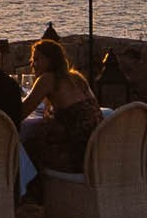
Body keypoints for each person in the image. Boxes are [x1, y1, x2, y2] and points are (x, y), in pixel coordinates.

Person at [19, 34, 100, 175]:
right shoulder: (76, 77)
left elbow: (21, 112)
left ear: (50, 60)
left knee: (28, 146)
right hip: (97, 151)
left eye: (37, 59)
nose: (32, 64)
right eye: (32, 59)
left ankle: (32, 187)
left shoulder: (48, 79)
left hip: (76, 155)